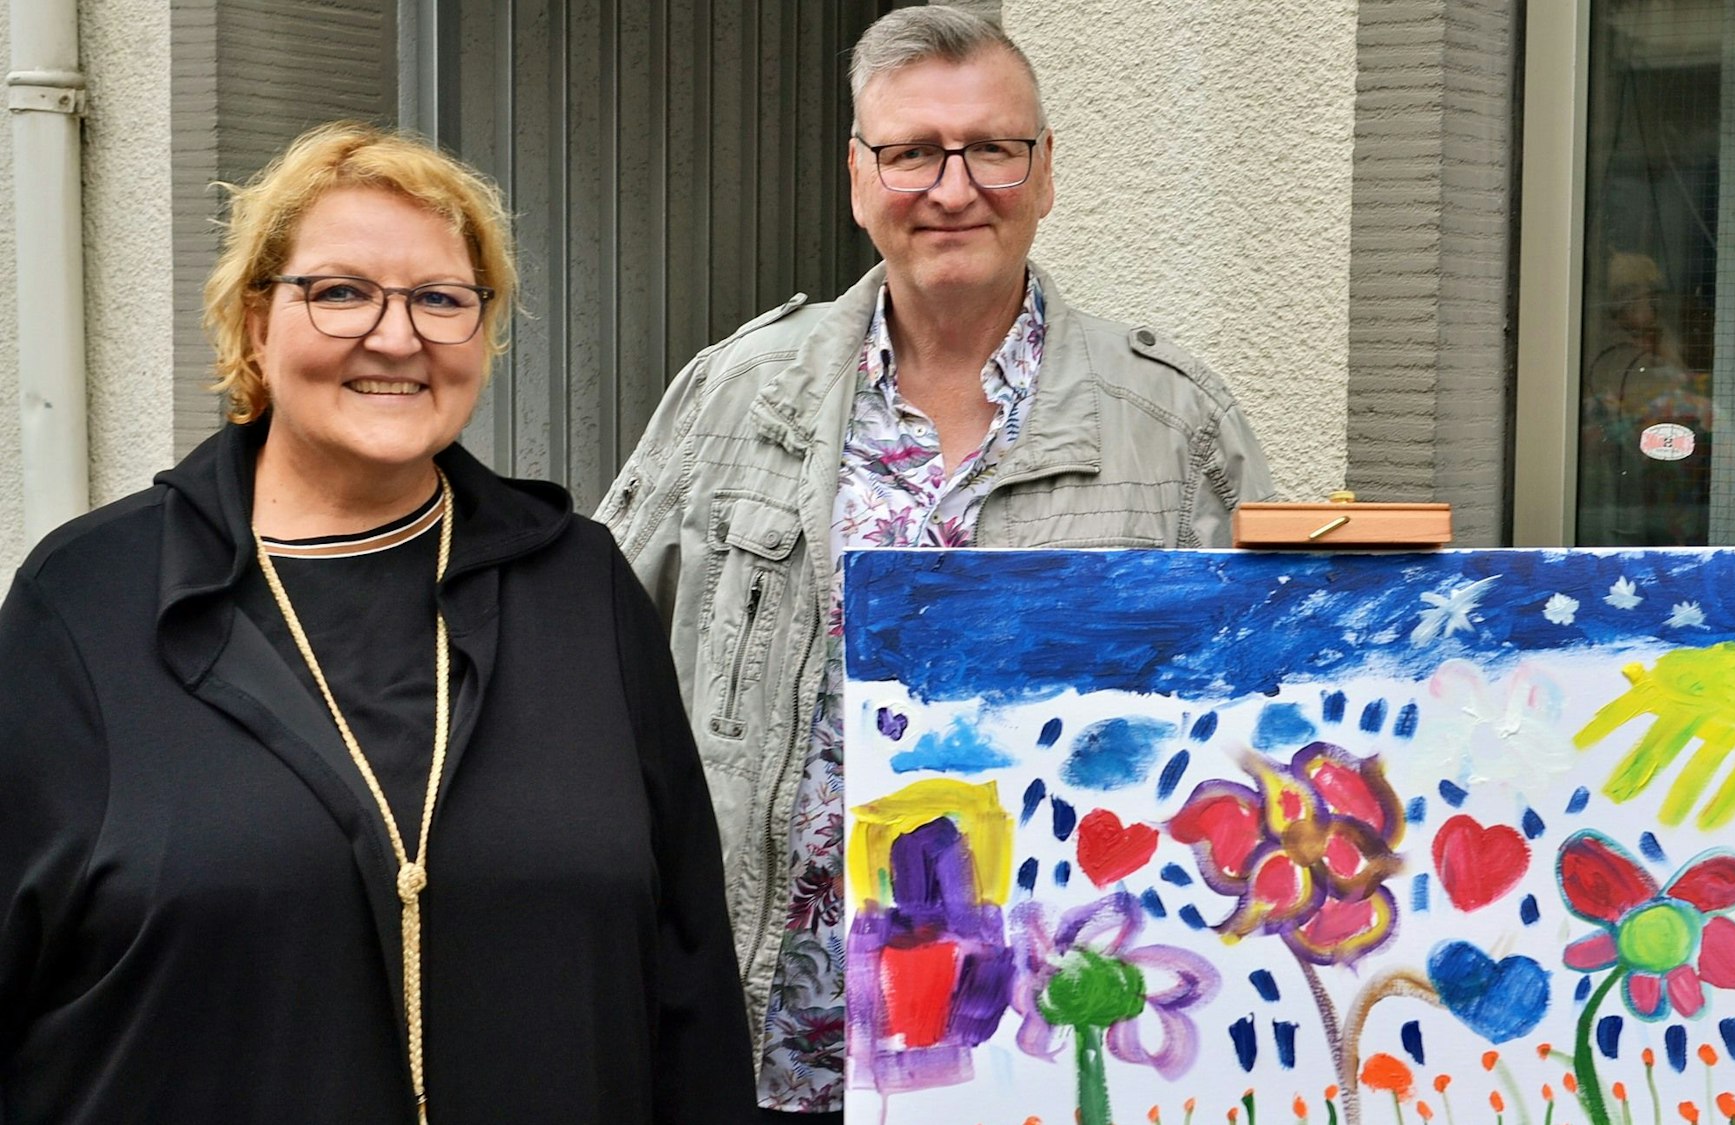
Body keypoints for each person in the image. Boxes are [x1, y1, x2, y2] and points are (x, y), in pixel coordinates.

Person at [595, 8, 1274, 1119]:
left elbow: (1259, 722)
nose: (952, 188)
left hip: (1048, 1053)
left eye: (991, 148)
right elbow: (594, 674)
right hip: (761, 1044)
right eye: (911, 152)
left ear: (1045, 172)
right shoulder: (733, 396)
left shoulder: (1172, 424)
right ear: (859, 177)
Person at [0, 121, 753, 1123]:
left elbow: (687, 978)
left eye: (441, 299)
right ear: (255, 320)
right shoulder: (89, 600)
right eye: (341, 291)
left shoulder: (582, 590)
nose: (396, 337)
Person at [1576, 250, 1713, 545]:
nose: (1651, 308)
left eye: (1654, 298)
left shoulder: (1662, 343)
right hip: (1612, 481)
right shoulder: (1602, 349)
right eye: (1641, 297)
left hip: (1664, 482)